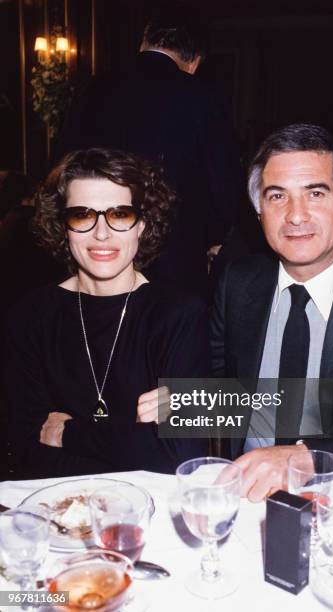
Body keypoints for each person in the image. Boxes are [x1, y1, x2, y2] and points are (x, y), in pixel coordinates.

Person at [211, 123, 333, 501]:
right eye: (276, 197)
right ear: (258, 211)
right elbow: (224, 391)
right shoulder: (237, 283)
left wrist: (302, 460)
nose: (295, 215)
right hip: (246, 493)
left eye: (315, 193)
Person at [4, 148, 210, 479]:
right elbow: (27, 450)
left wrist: (69, 433)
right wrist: (135, 441)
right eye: (83, 215)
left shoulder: (179, 315)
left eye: (120, 214)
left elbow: (181, 454)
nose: (102, 233)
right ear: (64, 225)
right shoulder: (29, 317)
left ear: (141, 224)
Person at [56, 2, 242, 297]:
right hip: (174, 262)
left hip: (97, 251)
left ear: (144, 43)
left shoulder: (93, 89)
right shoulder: (201, 96)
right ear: (195, 61)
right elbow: (225, 190)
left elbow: (62, 169)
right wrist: (213, 239)